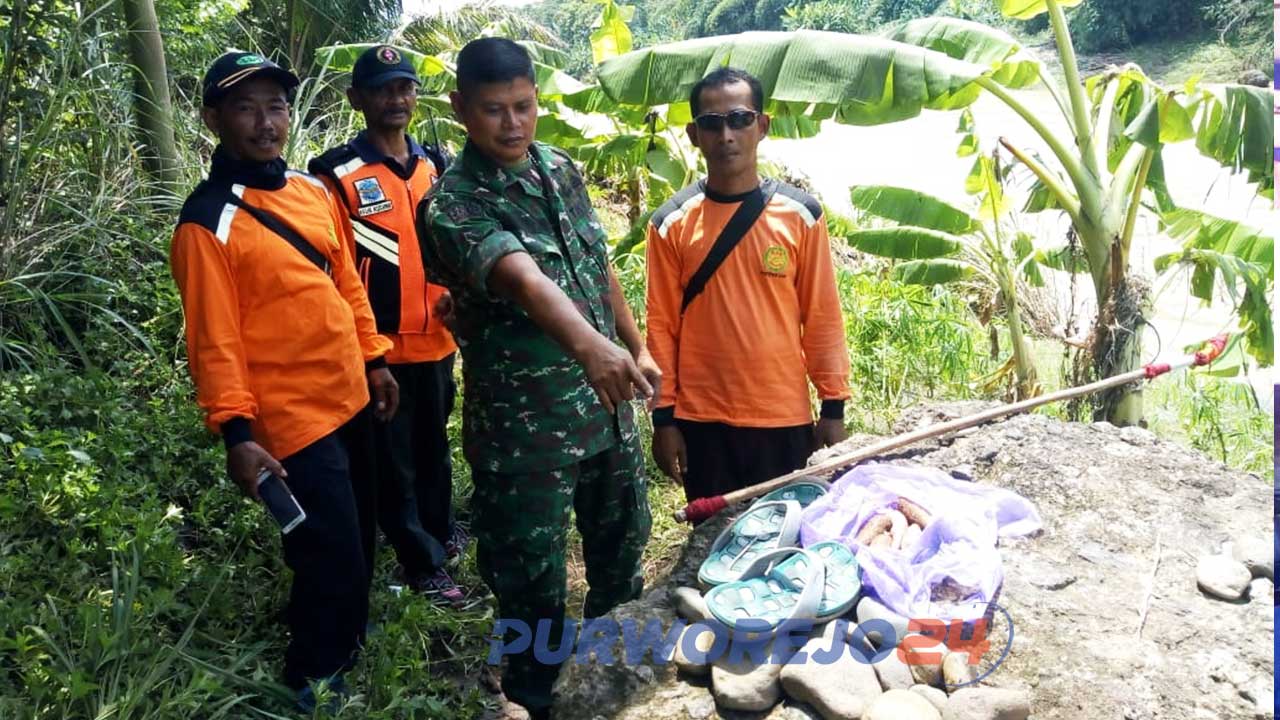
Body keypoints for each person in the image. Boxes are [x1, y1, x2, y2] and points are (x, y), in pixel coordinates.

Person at [417, 37, 658, 719]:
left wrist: (633, 348)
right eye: (494, 110)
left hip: (606, 408)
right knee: (532, 588)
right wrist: (590, 348)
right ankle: (537, 700)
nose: (513, 123)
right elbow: (523, 279)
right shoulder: (454, 204)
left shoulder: (559, 166)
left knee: (622, 556)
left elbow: (595, 265)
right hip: (527, 436)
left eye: (524, 106)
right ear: (461, 108)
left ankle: (620, 687)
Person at [169, 51, 397, 709]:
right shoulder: (207, 221)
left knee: (358, 534)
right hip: (289, 418)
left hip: (350, 393)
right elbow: (213, 340)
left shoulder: (310, 189)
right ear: (214, 118)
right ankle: (314, 675)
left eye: (276, 105)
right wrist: (236, 432)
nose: (266, 122)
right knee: (328, 548)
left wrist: (374, 358)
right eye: (246, 107)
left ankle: (343, 633)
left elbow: (346, 280)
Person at [645, 67, 851, 507]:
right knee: (714, 546)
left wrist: (833, 406)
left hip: (782, 416)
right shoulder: (671, 223)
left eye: (739, 119)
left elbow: (821, 317)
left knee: (786, 539)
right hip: (701, 420)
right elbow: (660, 326)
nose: (726, 135)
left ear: (762, 126)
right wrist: (663, 419)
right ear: (693, 134)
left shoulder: (801, 215)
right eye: (711, 123)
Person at [309, 45, 465, 604]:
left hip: (439, 340)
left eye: (404, 87)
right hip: (381, 348)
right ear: (358, 100)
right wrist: (365, 350)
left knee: (433, 445)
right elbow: (335, 265)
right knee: (392, 462)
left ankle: (441, 529)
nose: (395, 99)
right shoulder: (335, 175)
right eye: (381, 89)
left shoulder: (435, 164)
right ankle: (420, 562)